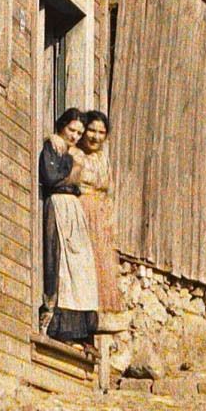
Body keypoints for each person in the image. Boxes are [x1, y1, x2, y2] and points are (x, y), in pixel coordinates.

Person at [38, 108, 99, 346]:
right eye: (71, 130)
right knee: (63, 265)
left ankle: (81, 332)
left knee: (81, 267)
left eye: (79, 132)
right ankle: (60, 328)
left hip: (73, 208)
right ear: (62, 126)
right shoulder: (53, 147)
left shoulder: (72, 153)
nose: (74, 136)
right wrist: (71, 173)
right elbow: (51, 177)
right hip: (60, 205)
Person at [76, 111, 127, 379]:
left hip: (100, 217)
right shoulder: (76, 154)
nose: (95, 137)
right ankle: (81, 328)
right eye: (92, 131)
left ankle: (101, 332)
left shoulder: (103, 158)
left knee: (102, 270)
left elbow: (108, 188)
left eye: (101, 133)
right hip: (82, 211)